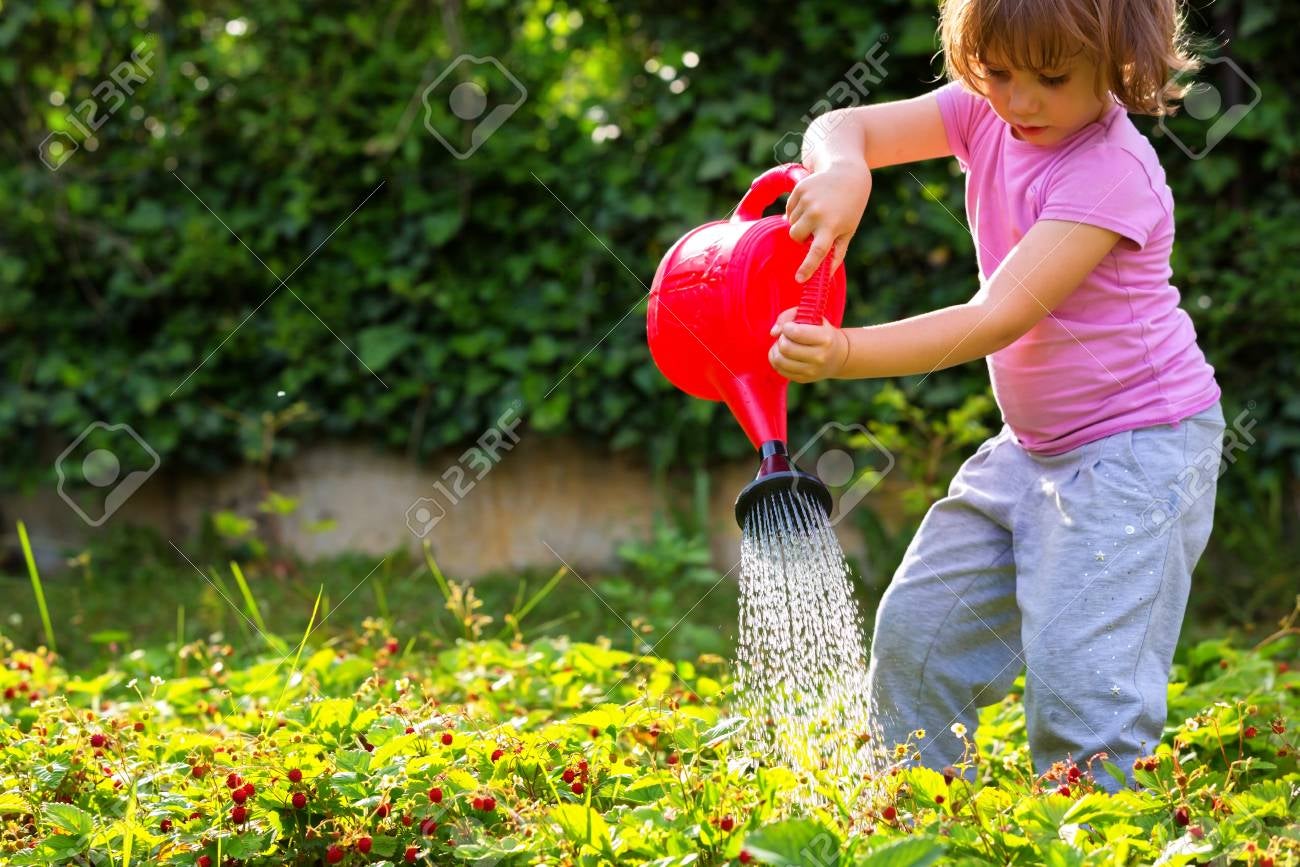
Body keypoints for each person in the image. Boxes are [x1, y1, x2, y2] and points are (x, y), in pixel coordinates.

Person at [768, 0, 1226, 792]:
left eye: (1051, 77)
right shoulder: (986, 111)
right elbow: (845, 126)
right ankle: (918, 816)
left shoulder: (1111, 172)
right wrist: (844, 168)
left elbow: (997, 317)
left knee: (1083, 687)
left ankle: (1100, 832)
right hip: (1030, 451)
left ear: (1119, 61)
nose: (1020, 100)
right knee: (918, 635)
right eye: (999, 71)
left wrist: (844, 352)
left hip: (1139, 452)